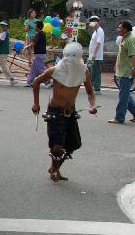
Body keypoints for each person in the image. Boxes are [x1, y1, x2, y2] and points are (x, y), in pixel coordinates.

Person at [30, 42, 98, 181]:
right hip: (55, 111)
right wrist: (36, 103)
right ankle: (54, 170)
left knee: (72, 145)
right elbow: (36, 81)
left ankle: (55, 168)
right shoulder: (55, 70)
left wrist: (92, 105)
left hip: (70, 111)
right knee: (57, 146)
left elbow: (90, 92)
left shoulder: (84, 71)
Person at [108, 21, 135, 124]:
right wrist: (116, 65)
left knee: (123, 96)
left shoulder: (130, 40)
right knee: (125, 94)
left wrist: (133, 69)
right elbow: (121, 55)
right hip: (122, 70)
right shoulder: (124, 38)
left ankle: (119, 117)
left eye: (120, 28)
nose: (118, 29)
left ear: (126, 29)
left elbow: (134, 56)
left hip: (127, 72)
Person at [26, 19, 49, 87]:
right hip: (41, 54)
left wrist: (26, 47)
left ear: (38, 27)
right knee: (36, 69)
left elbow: (33, 43)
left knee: (38, 70)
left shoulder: (39, 34)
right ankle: (30, 81)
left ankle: (48, 81)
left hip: (39, 54)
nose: (34, 27)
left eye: (35, 26)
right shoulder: (42, 34)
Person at [86, 16, 104, 94]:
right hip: (92, 55)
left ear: (96, 22)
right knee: (92, 71)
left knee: (96, 72)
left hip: (95, 56)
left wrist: (94, 54)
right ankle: (93, 86)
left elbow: (98, 43)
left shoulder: (100, 31)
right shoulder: (96, 31)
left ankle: (97, 89)